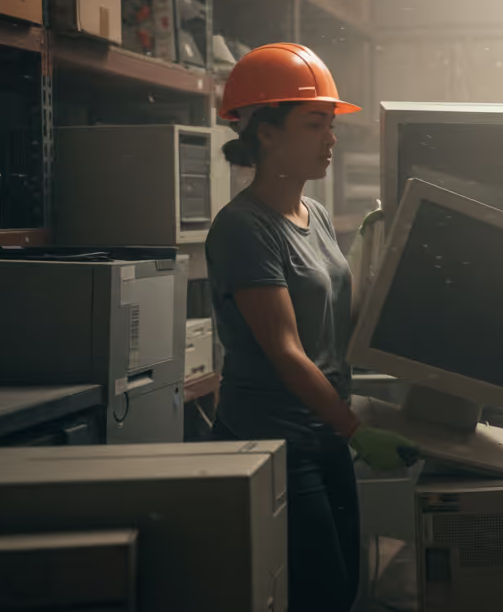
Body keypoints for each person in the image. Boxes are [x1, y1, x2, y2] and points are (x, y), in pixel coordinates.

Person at [205, 43, 417, 612]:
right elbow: (286, 350)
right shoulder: (244, 228)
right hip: (274, 443)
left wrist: (379, 250)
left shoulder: (315, 214)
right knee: (316, 592)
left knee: (342, 586)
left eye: (332, 124)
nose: (332, 139)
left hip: (324, 435)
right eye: (315, 123)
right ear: (266, 133)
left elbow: (337, 323)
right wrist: (355, 428)